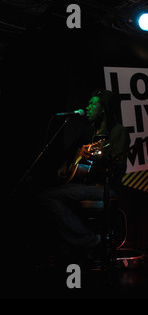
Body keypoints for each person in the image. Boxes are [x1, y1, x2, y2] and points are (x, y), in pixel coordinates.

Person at [38, 89, 130, 261]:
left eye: (92, 103)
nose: (87, 107)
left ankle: (89, 241)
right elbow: (70, 153)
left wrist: (97, 160)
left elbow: (119, 168)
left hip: (107, 188)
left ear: (103, 108)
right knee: (46, 193)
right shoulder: (89, 132)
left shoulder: (118, 132)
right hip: (84, 186)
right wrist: (65, 165)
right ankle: (71, 252)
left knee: (48, 197)